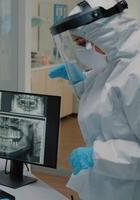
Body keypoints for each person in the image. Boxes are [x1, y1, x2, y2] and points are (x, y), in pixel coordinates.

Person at [48, 0, 140, 199]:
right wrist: (79, 82)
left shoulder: (136, 73)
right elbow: (108, 107)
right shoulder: (114, 63)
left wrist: (97, 156)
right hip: (106, 183)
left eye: (82, 42)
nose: (83, 49)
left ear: (105, 33)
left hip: (127, 190)